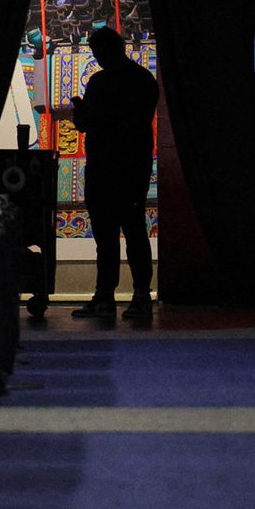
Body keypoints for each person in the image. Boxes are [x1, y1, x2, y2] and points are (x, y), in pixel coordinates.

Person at [66, 27, 158, 319]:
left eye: (98, 52)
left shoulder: (107, 81)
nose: (97, 58)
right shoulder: (142, 79)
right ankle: (131, 295)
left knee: (115, 235)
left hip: (114, 166)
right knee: (125, 233)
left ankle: (113, 296)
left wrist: (85, 114)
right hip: (125, 166)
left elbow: (92, 123)